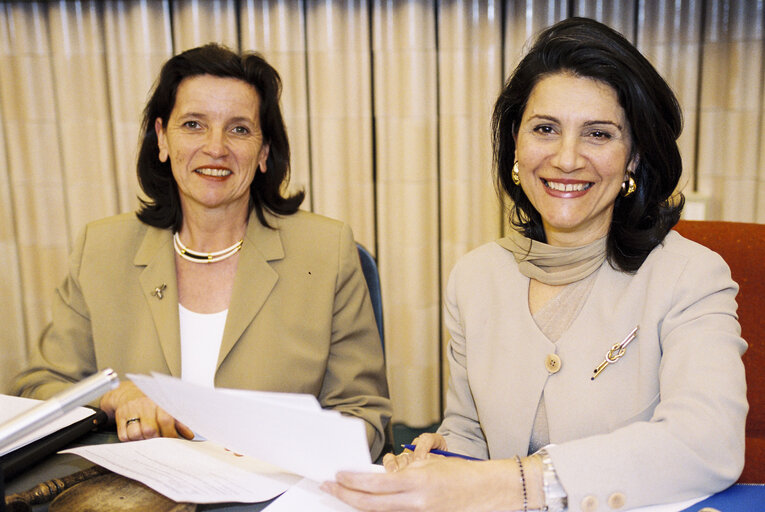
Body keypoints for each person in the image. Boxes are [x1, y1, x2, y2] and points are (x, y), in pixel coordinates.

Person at [322, 17, 747, 511]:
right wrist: (441, 456)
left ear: (633, 158)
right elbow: (469, 430)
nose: (566, 159)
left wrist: (518, 483)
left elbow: (708, 445)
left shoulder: (692, 276)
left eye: (598, 134)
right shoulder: (475, 277)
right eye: (545, 129)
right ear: (516, 150)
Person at [13, 43, 391, 460]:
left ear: (264, 152)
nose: (216, 147)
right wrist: (115, 398)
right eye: (194, 124)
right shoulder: (100, 249)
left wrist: (282, 449)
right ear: (162, 138)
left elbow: (364, 417)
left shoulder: (326, 251)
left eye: (239, 129)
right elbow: (37, 389)